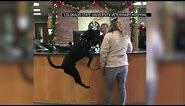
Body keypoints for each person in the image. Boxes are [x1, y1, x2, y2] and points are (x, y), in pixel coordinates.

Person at [100, 17, 133, 105]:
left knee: (108, 89)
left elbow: (103, 52)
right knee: (122, 88)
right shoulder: (125, 35)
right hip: (123, 65)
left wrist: (102, 65)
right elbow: (129, 50)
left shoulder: (108, 36)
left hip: (111, 66)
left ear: (111, 26)